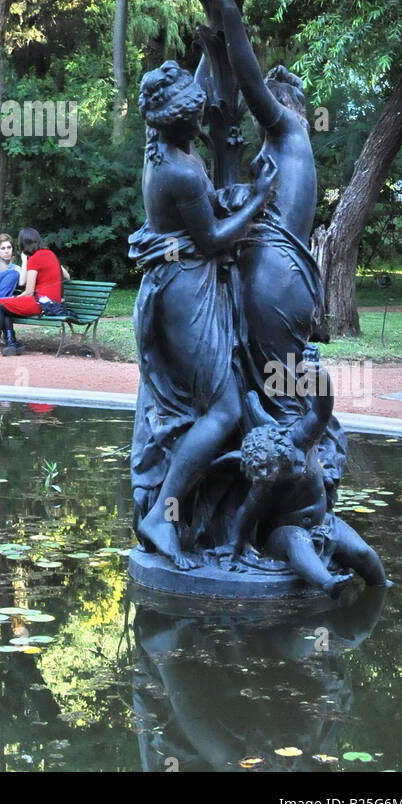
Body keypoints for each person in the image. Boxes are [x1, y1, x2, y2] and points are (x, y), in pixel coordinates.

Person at [198, 0, 347, 487]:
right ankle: (275, 484)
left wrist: (230, 12)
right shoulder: (283, 149)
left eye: (279, 95)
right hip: (279, 277)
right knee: (269, 385)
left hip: (276, 281)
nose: (269, 100)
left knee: (279, 396)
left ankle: (297, 489)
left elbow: (249, 81)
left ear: (291, 106)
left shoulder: (287, 131)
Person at [129, 61, 278, 567]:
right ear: (173, 121)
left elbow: (203, 85)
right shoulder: (174, 168)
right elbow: (213, 240)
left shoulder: (170, 147)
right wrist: (257, 199)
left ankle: (190, 516)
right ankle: (162, 519)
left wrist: (213, 42)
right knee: (225, 411)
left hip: (182, 284)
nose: (202, 121)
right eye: (192, 117)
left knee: (216, 408)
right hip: (183, 294)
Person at [232, 371, 389, 595]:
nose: (275, 477)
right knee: (298, 542)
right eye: (273, 476)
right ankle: (327, 583)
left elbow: (322, 409)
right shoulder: (264, 482)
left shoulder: (301, 439)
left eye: (287, 466)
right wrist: (231, 546)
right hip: (284, 534)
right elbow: (245, 513)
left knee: (364, 554)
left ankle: (380, 585)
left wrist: (319, 375)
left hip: (324, 524)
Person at [0, 227, 69, 358]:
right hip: (52, 303)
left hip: (41, 303)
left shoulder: (34, 259)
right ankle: (12, 342)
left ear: (23, 244)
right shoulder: (50, 254)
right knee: (5, 304)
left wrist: (16, 297)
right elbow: (67, 276)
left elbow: (29, 291)